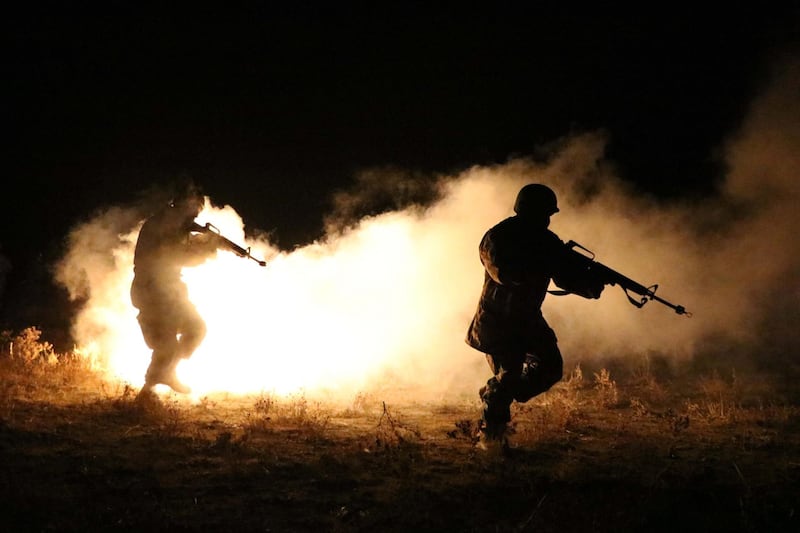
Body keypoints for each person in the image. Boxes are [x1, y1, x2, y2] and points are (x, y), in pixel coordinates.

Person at [465, 183, 605, 451]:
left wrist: (591, 284)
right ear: (527, 210)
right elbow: (504, 273)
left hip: (528, 319)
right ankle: (491, 440)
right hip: (499, 321)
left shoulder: (546, 240)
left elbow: (565, 277)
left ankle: (496, 394)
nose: (547, 220)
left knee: (550, 369)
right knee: (508, 379)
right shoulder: (498, 237)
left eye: (549, 215)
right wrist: (543, 262)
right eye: (544, 214)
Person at [131, 187, 221, 395]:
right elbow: (173, 257)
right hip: (153, 290)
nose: (196, 215)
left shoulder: (174, 225)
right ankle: (153, 384)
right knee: (167, 342)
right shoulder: (163, 225)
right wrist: (205, 251)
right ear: (181, 205)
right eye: (194, 209)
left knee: (194, 329)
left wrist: (206, 245)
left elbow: (180, 251)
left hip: (167, 290)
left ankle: (163, 375)